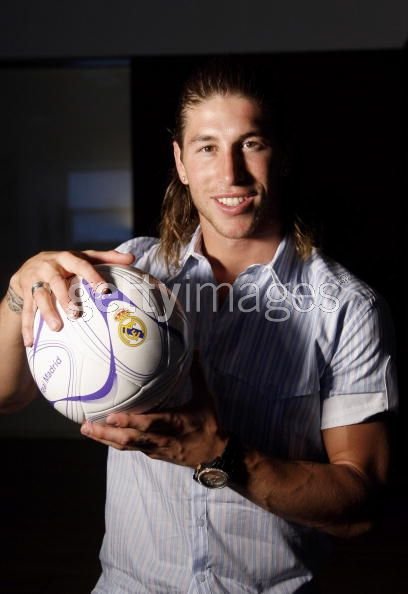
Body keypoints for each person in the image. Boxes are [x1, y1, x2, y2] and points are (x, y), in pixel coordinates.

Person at [0, 60, 398, 593]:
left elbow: (361, 503)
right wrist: (18, 291)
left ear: (280, 154)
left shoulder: (347, 307)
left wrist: (221, 455)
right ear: (180, 162)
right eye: (207, 147)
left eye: (250, 144)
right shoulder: (123, 277)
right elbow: (7, 394)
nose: (230, 174)